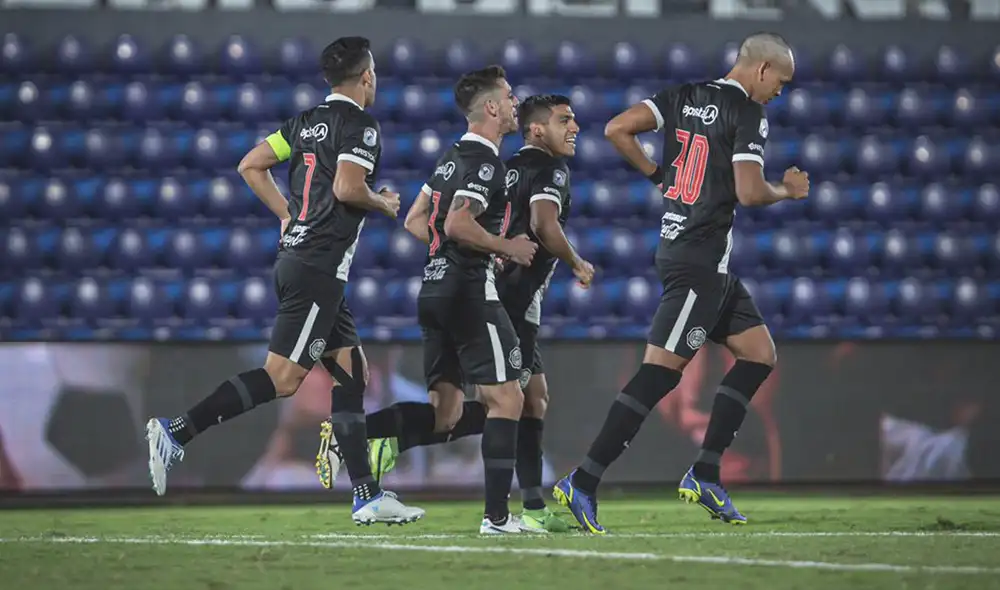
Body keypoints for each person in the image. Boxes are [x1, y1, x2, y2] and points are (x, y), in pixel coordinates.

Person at [144, 36, 424, 526]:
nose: (375, 80)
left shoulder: (303, 123)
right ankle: (176, 431)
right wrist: (382, 201)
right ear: (365, 77)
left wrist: (286, 214)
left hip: (305, 261)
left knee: (353, 373)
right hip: (317, 266)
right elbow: (346, 187)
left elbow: (250, 165)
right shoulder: (361, 125)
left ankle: (366, 495)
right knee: (284, 378)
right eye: (373, 72)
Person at [553, 32, 809, 533]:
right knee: (659, 375)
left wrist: (657, 176)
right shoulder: (748, 114)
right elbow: (750, 192)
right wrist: (787, 190)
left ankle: (706, 471)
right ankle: (582, 481)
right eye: (782, 81)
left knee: (759, 354)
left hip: (699, 259)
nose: (781, 92)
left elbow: (616, 129)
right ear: (761, 70)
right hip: (697, 261)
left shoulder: (683, 96)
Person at [317, 94, 592, 533]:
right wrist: (573, 261)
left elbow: (417, 220)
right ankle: (508, 512)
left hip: (466, 290)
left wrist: (449, 250)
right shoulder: (544, 168)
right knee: (510, 403)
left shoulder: (493, 162)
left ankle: (364, 434)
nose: (575, 127)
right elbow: (541, 223)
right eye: (565, 120)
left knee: (508, 401)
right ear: (538, 129)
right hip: (503, 301)